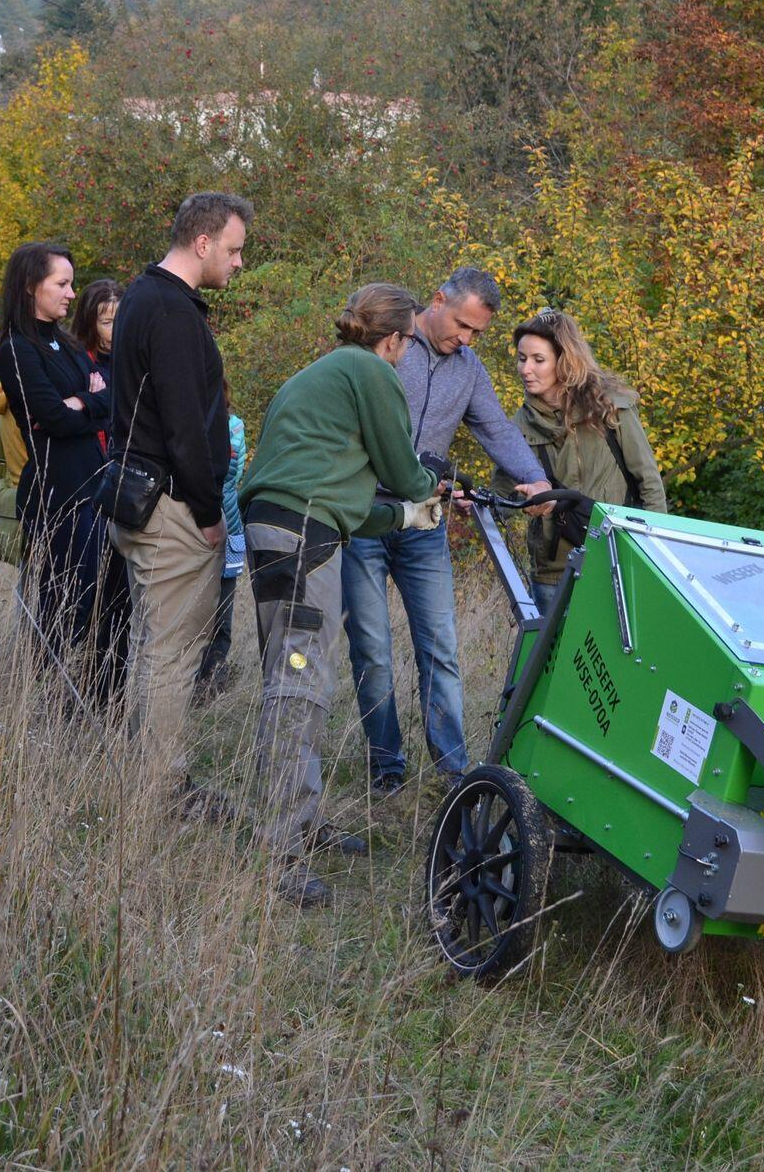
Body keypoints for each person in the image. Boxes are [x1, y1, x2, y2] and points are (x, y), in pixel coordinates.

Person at [238, 283, 446, 906]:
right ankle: (280, 852)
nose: (408, 353)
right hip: (303, 537)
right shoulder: (370, 371)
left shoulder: (321, 372)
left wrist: (407, 520)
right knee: (298, 686)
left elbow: (345, 504)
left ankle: (302, 821)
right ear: (394, 338)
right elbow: (403, 470)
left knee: (295, 676)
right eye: (409, 342)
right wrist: (433, 487)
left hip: (285, 528)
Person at [342, 266, 551, 795]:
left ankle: (454, 772)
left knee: (440, 644)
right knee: (372, 647)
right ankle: (387, 769)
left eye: (477, 332)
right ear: (436, 300)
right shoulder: (388, 343)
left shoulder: (469, 369)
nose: (467, 338)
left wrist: (535, 480)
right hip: (363, 518)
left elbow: (496, 429)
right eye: (462, 325)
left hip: (422, 523)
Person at [107, 191, 251, 812]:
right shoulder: (169, 309)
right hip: (170, 506)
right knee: (172, 655)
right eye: (235, 249)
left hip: (142, 496)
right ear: (203, 243)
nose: (239, 262)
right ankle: (159, 791)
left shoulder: (145, 297)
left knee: (156, 648)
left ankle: (157, 777)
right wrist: (210, 508)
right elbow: (185, 425)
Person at [0, 240, 128, 704]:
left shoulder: (67, 343)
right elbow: (53, 416)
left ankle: (93, 698)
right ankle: (35, 699)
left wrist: (84, 402)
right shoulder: (17, 349)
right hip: (55, 493)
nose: (72, 293)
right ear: (32, 286)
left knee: (106, 599)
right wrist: (84, 402)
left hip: (95, 487)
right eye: (62, 283)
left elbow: (110, 399)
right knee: (64, 601)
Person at [498, 309, 667, 613]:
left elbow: (649, 483)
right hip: (552, 575)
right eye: (522, 358)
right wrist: (479, 503)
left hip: (615, 565)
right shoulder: (517, 427)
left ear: (564, 361)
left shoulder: (611, 408)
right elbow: (502, 500)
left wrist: (652, 556)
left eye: (538, 360)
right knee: (549, 661)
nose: (525, 369)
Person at [193, 383, 247, 700]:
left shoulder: (233, 426)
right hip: (205, 528)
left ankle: (212, 681)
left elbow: (230, 474)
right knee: (206, 611)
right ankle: (199, 679)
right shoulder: (227, 427)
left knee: (222, 612)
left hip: (227, 529)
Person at [71, 278, 121, 378]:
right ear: (89, 323)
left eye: (121, 320)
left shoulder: (137, 358)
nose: (117, 330)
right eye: (107, 323)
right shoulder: (75, 364)